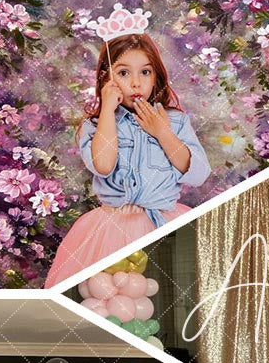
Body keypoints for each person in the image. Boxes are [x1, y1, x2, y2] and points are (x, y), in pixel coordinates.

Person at [44, 31, 209, 288]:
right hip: (111, 229)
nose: (135, 83)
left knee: (166, 290)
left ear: (156, 76)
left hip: (164, 221)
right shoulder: (96, 125)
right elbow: (104, 164)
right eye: (123, 73)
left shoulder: (174, 121)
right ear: (106, 79)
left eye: (145, 72)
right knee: (109, 291)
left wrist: (162, 133)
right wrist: (108, 111)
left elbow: (198, 175)